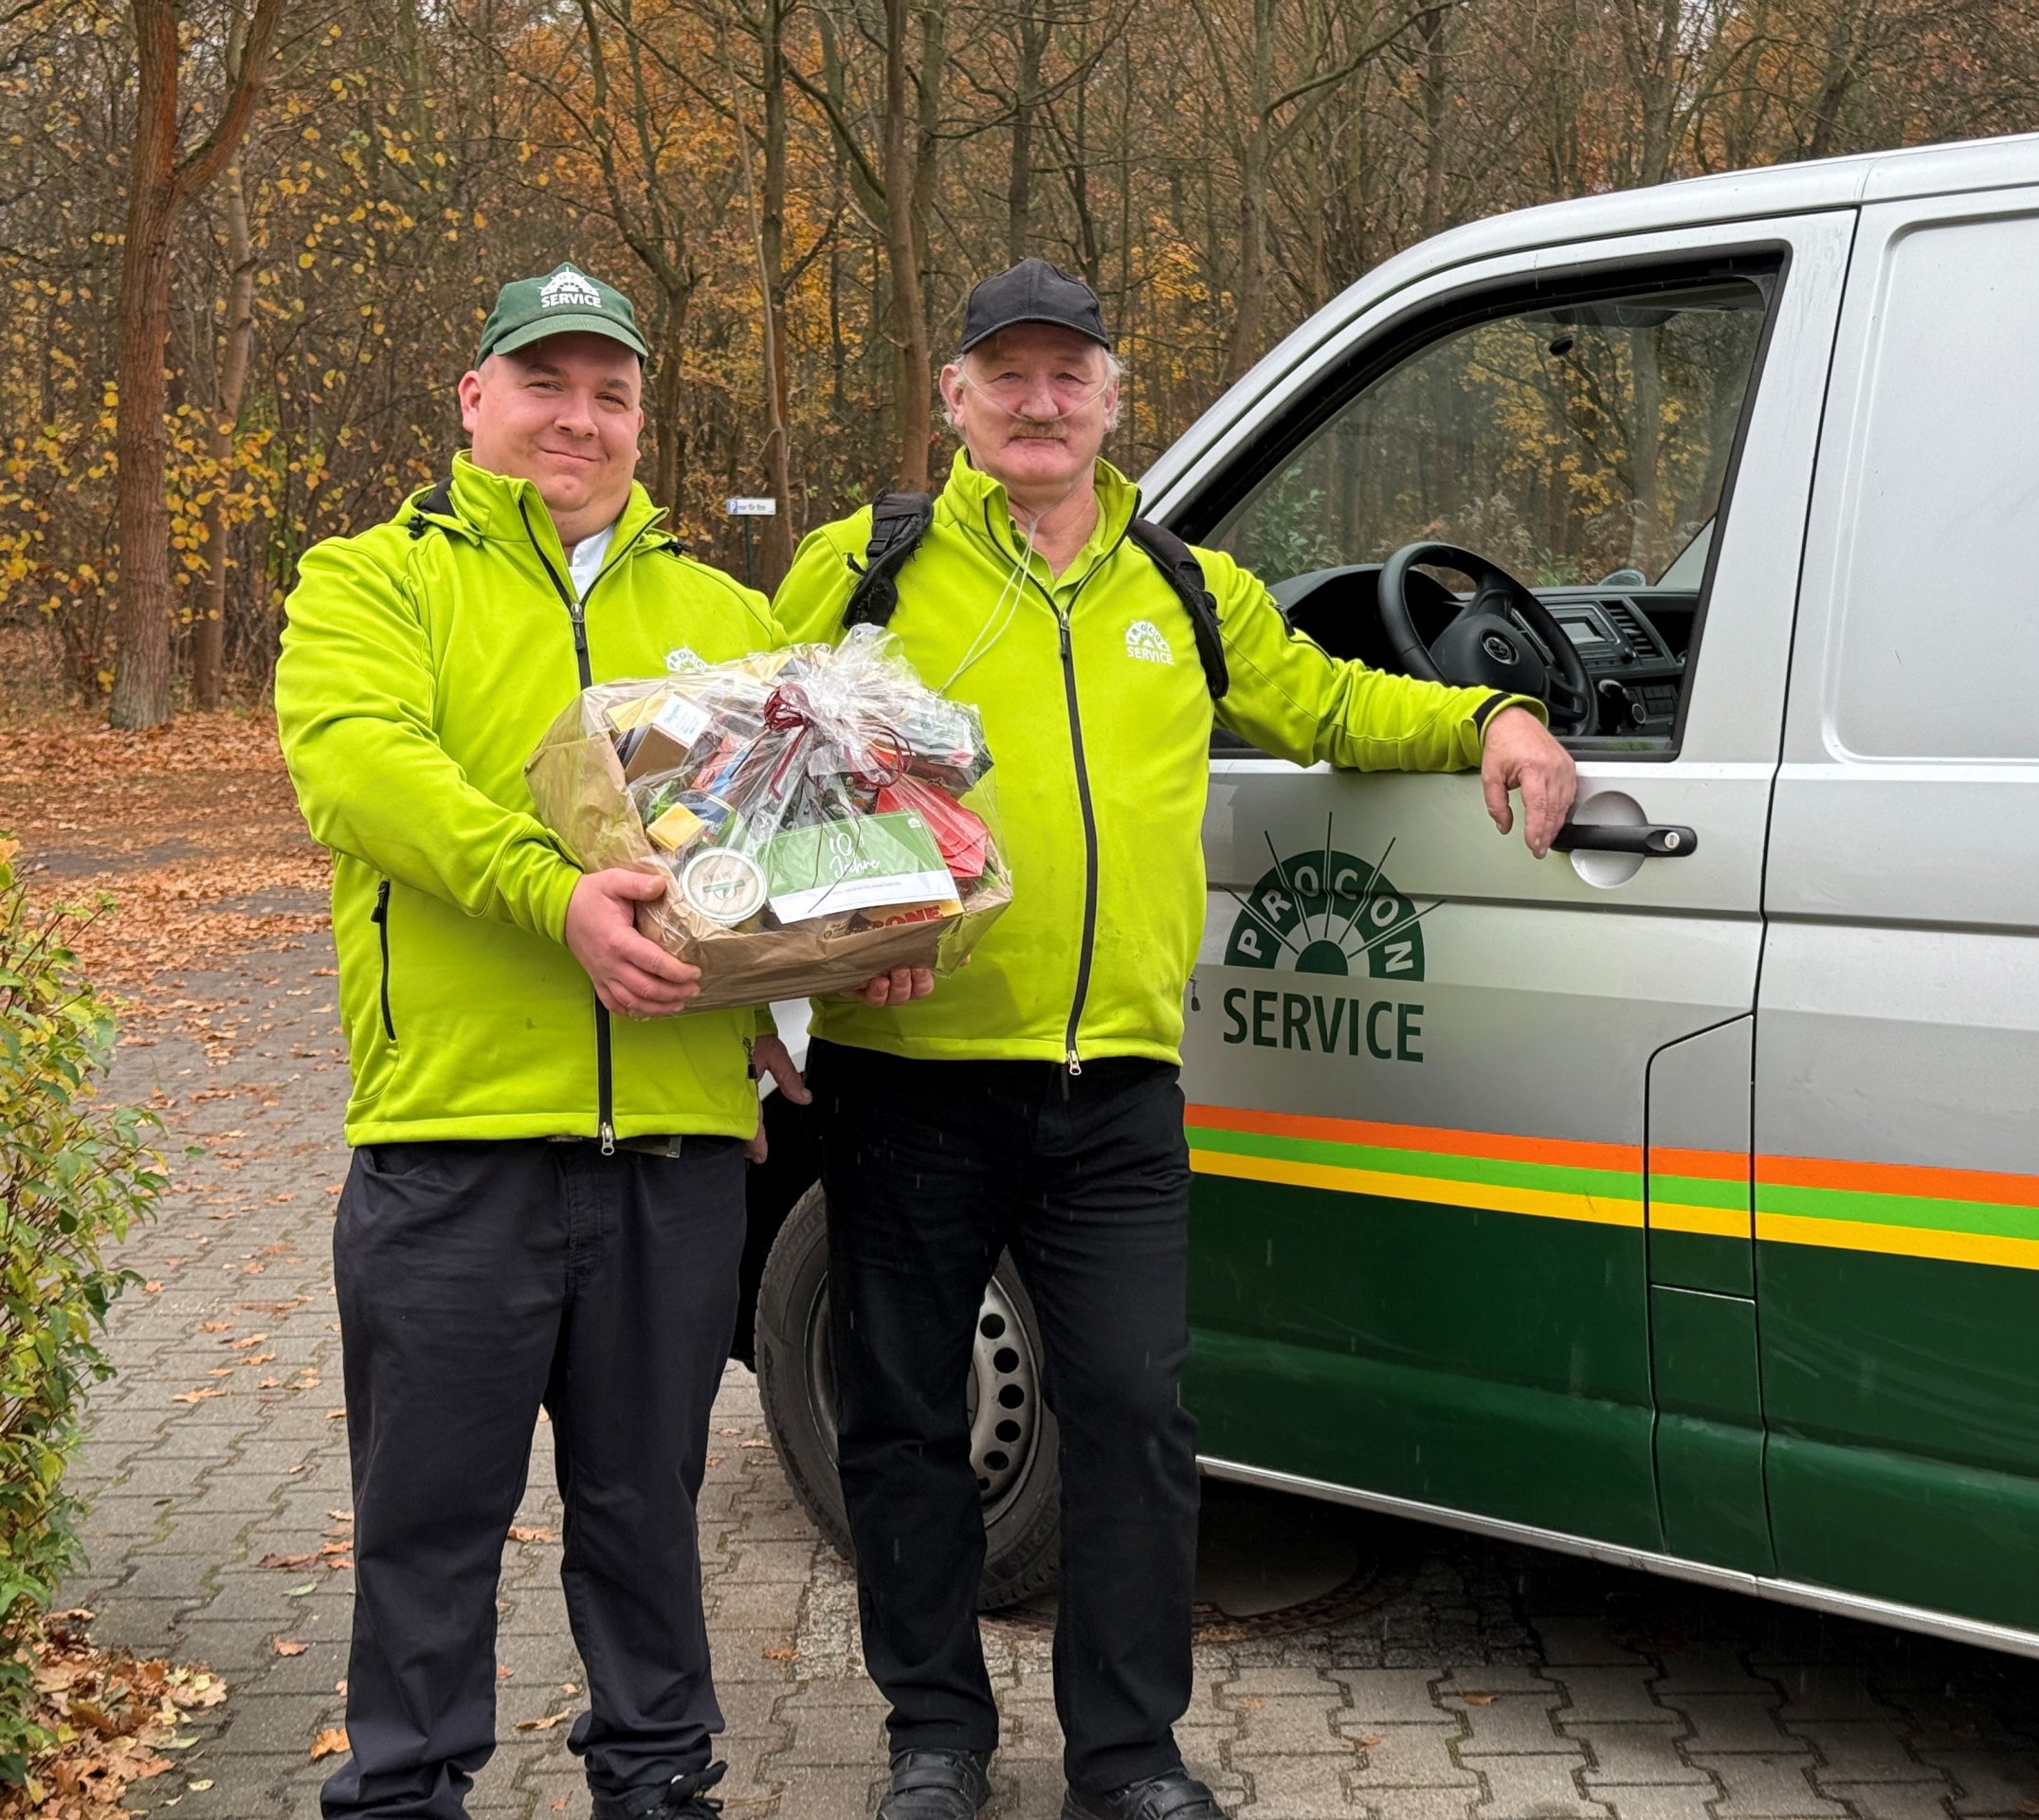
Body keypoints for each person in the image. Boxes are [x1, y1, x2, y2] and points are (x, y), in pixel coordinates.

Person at [769, 258, 1579, 1820]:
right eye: (1005, 372)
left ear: (1113, 395)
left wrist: (1490, 721)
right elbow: (748, 750)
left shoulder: (1188, 592)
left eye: (1068, 372)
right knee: (901, 1420)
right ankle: (935, 1738)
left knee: (1137, 1418)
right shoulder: (868, 567)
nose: (1039, 400)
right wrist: (792, 957)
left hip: (1118, 1095)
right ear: (956, 396)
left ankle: (1127, 1756)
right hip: (910, 1087)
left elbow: (1331, 704)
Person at [276, 262, 926, 1820]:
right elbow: (364, 771)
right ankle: (407, 1788)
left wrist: (856, 944)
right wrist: (552, 892)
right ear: (475, 398)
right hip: (458, 1144)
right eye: (546, 383)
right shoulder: (369, 580)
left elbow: (774, 835)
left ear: (644, 419)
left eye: (613, 394)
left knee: (648, 1507)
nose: (580, 418)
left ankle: (656, 1783)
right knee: (430, 1519)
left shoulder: (717, 615)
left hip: (679, 1152)